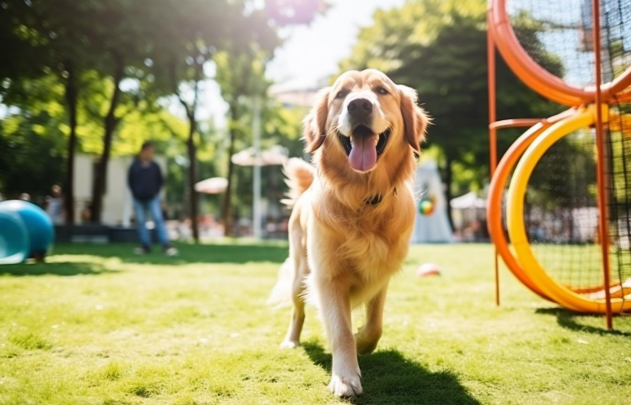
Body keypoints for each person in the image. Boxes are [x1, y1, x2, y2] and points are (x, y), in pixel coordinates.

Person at [127, 141, 178, 256]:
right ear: (143, 151)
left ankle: (166, 244)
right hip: (138, 198)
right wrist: (135, 193)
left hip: (152, 198)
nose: (150, 154)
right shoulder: (135, 166)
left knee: (158, 220)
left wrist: (156, 193)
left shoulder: (155, 166)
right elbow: (130, 181)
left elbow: (160, 181)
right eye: (149, 151)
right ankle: (145, 245)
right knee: (141, 222)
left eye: (152, 152)